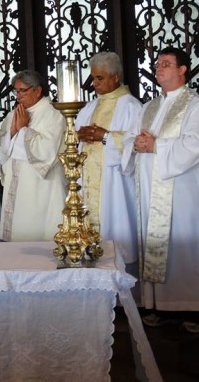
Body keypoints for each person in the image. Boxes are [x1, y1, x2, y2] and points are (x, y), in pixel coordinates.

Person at [122, 48, 199, 324]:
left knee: (185, 246)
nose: (159, 69)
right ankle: (156, 304)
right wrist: (135, 143)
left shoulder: (197, 107)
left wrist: (156, 145)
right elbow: (132, 138)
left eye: (166, 64)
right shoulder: (150, 107)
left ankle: (194, 307)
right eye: (157, 64)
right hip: (150, 190)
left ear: (182, 70)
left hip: (183, 192)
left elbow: (196, 145)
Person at [75, 52, 142, 266]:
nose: (94, 83)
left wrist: (104, 136)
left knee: (116, 238)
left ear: (115, 77)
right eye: (93, 78)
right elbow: (76, 138)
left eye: (100, 78)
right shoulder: (90, 107)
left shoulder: (131, 106)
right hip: (89, 179)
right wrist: (80, 136)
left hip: (116, 182)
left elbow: (136, 145)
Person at [0, 70, 66, 241]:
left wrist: (24, 129)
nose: (18, 96)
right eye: (15, 91)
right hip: (16, 183)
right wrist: (12, 132)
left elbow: (48, 150)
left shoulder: (53, 114)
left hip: (41, 186)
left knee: (39, 233)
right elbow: (0, 143)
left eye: (22, 90)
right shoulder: (14, 114)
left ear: (37, 90)